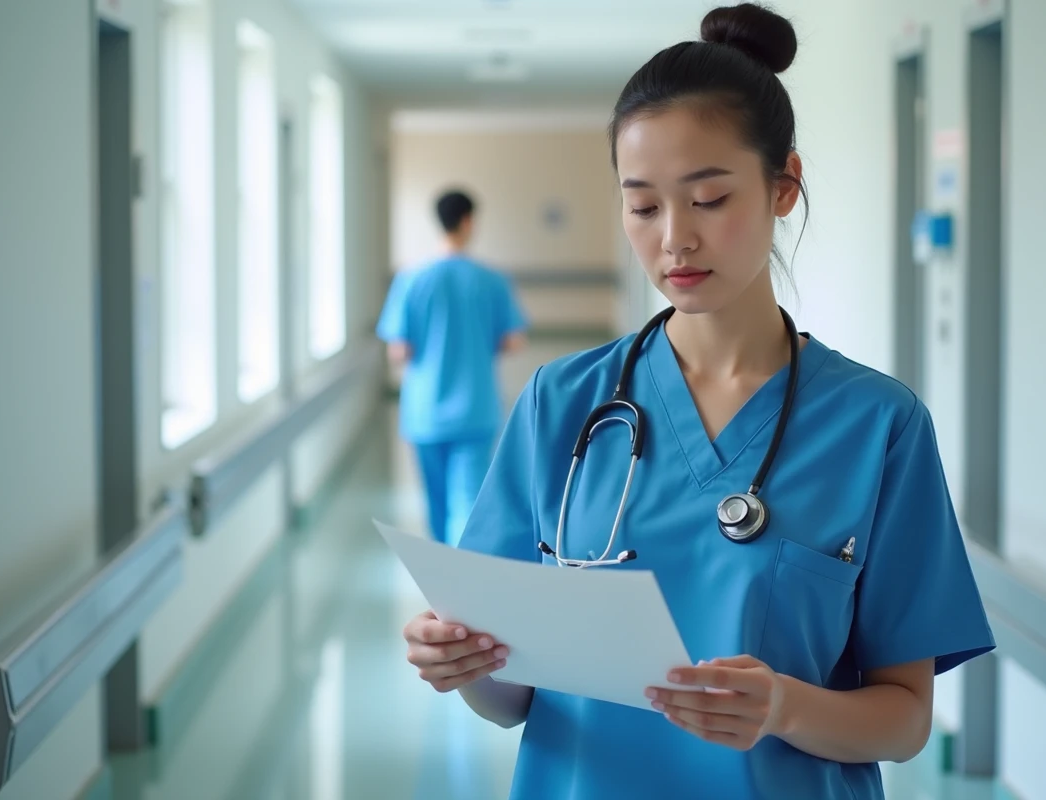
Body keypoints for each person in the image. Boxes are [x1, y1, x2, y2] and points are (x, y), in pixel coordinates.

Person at [400, 4, 996, 798]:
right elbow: (510, 701)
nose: (674, 238)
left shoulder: (877, 425)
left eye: (708, 198)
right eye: (643, 206)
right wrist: (464, 665)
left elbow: (905, 717)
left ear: (784, 186)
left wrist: (783, 707)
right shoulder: (561, 403)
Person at [376, 189, 528, 546]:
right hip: (476, 409)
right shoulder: (492, 280)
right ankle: (463, 569)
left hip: (425, 412)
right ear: (468, 221)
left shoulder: (411, 279)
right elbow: (514, 341)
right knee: (469, 501)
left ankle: (442, 564)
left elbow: (398, 351)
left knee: (437, 504)